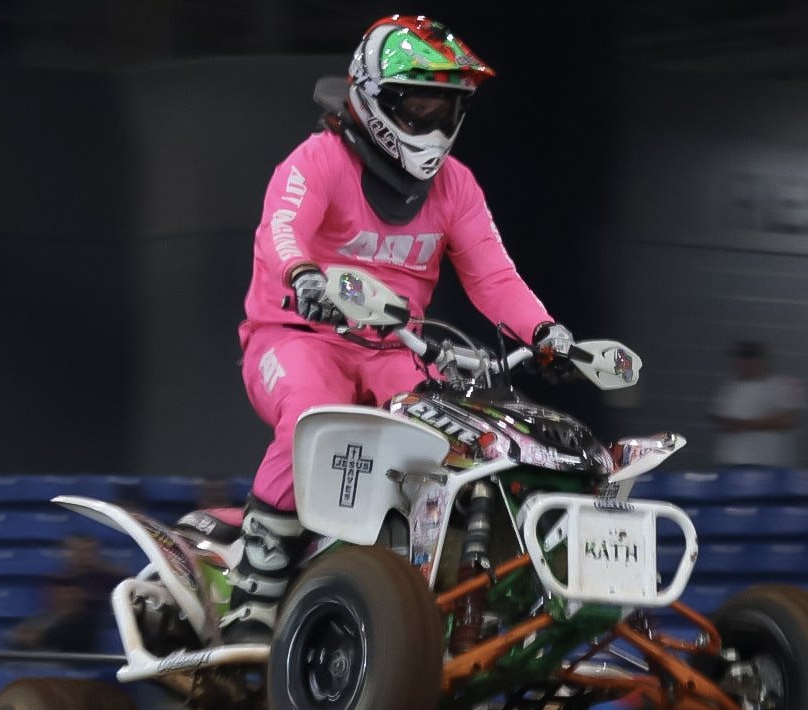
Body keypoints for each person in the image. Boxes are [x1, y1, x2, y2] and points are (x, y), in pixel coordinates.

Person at [192, 14, 575, 642]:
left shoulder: (458, 187)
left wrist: (544, 331)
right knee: (315, 418)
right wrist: (304, 277)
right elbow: (279, 231)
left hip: (397, 346)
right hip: (295, 337)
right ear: (373, 97)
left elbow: (494, 277)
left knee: (461, 433)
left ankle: (435, 588)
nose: (433, 122)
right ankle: (252, 605)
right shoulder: (315, 161)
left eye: (447, 106)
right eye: (419, 102)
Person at [710, 341, 806, 468]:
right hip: (732, 462)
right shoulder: (729, 388)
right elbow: (723, 423)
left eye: (747, 358)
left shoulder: (782, 385)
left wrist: (745, 425)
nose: (741, 363)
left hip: (770, 463)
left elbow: (786, 422)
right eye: (739, 359)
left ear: (759, 361)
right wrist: (765, 421)